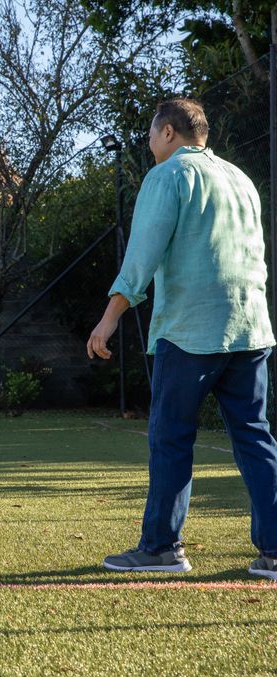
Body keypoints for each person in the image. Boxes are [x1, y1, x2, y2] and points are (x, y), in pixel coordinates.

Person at [87, 98, 277, 579]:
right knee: (255, 437)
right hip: (250, 327)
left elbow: (142, 253)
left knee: (171, 438)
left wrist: (109, 318)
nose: (149, 145)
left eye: (151, 136)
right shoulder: (240, 179)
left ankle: (161, 549)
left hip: (190, 331)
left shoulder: (168, 175)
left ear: (168, 132)